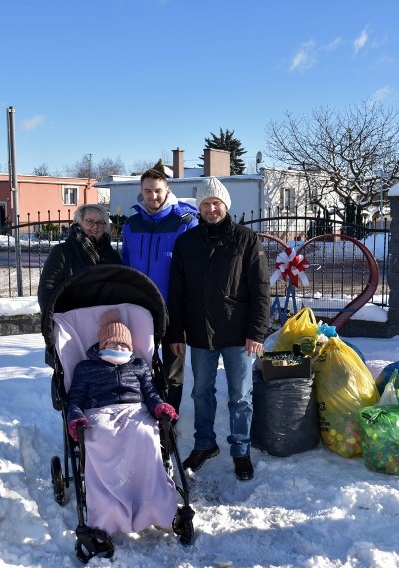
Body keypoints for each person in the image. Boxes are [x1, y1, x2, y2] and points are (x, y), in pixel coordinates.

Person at [167, 177, 270, 481]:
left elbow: (261, 289)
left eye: (216, 203)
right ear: (199, 207)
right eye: (205, 204)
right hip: (200, 333)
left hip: (239, 333)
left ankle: (240, 450)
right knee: (201, 393)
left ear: (226, 205)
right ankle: (204, 445)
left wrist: (257, 331)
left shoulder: (246, 239)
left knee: (240, 396)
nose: (211, 208)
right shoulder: (186, 241)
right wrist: (175, 333)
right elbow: (177, 292)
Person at [66, 309, 180, 534]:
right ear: (100, 346)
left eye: (123, 346)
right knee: (100, 436)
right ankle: (109, 509)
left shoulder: (139, 366)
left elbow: (150, 392)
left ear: (130, 348)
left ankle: (152, 504)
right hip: (99, 411)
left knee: (146, 434)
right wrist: (76, 417)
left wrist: (159, 406)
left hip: (134, 409)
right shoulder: (85, 368)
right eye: (111, 344)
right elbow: (75, 399)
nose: (118, 349)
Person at [121, 168, 198, 413]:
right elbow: (125, 266)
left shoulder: (185, 222)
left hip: (172, 308)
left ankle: (168, 418)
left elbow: (193, 271)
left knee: (172, 368)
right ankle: (143, 414)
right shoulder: (131, 225)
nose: (153, 196)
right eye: (147, 191)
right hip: (139, 309)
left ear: (167, 190)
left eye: (157, 191)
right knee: (139, 365)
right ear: (141, 192)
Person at [38, 204, 121, 364]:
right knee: (70, 376)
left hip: (105, 327)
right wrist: (55, 323)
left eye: (101, 223)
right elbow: (47, 290)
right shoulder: (62, 252)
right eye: (90, 221)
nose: (95, 227)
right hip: (70, 327)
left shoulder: (112, 255)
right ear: (78, 223)